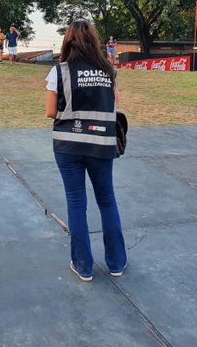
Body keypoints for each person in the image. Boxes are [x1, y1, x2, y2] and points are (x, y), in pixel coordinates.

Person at [45, 20, 126, 282]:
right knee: (107, 200)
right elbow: (113, 105)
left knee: (76, 203)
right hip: (102, 145)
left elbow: (49, 111)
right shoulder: (109, 70)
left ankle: (83, 266)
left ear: (67, 40)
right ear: (94, 41)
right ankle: (116, 263)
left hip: (68, 145)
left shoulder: (59, 71)